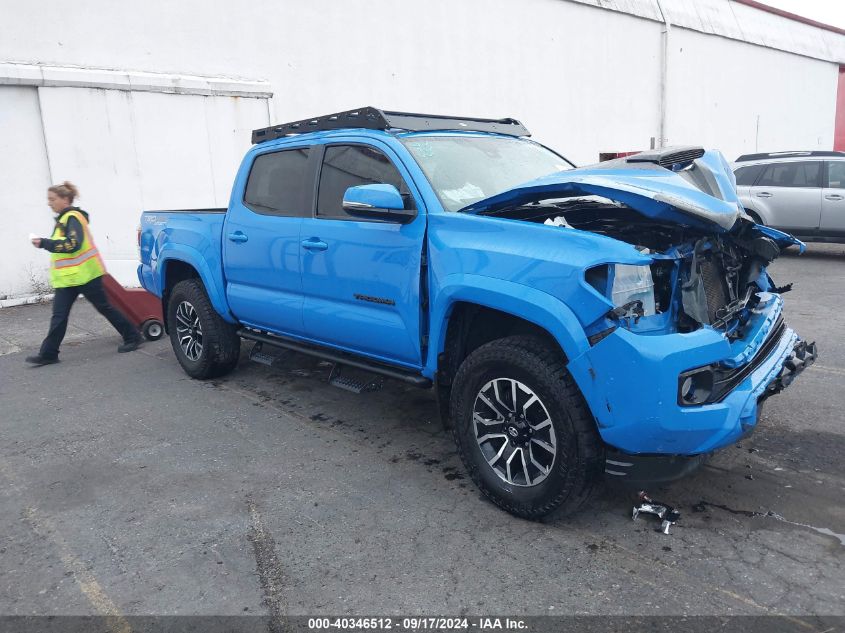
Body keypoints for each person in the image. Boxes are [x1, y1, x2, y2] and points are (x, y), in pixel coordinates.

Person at [25, 181, 143, 365]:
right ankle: (48, 354)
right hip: (68, 280)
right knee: (59, 316)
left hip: (86, 276)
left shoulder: (73, 217)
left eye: (52, 199)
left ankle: (133, 336)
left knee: (104, 307)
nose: (49, 203)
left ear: (65, 199)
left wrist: (44, 243)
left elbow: (73, 244)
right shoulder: (63, 220)